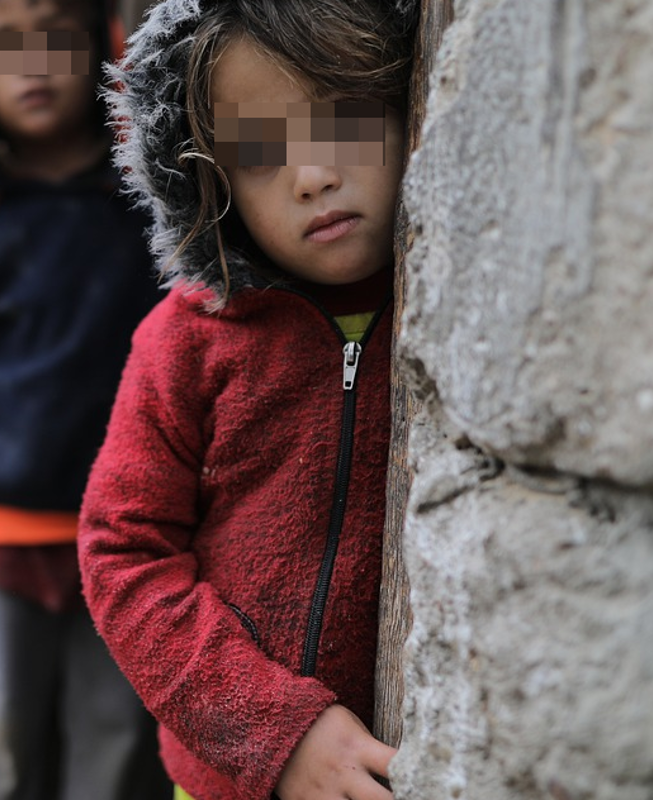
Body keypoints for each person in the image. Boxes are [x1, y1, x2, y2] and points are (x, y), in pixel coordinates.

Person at [76, 1, 417, 798]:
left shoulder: (443, 311)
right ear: (211, 184)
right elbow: (122, 554)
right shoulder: (187, 343)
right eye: (261, 153)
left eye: (345, 120)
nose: (313, 176)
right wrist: (273, 730)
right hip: (229, 779)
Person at [0, 0, 169, 798]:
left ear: (98, 47)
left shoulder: (147, 209)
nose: (33, 62)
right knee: (2, 731)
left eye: (55, 36)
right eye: (3, 47)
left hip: (126, 534)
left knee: (118, 739)